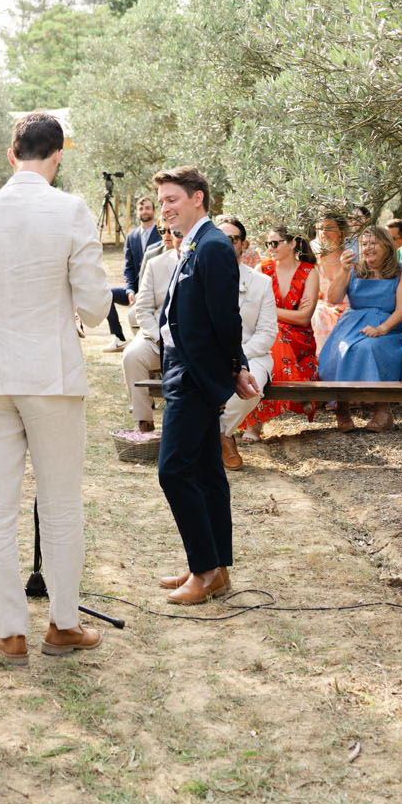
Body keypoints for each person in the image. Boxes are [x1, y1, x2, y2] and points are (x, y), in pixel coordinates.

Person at [0, 113, 111, 664]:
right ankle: (62, 624)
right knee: (60, 504)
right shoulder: (71, 210)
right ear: (57, 156)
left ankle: (9, 631)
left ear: (10, 154)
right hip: (52, 376)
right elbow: (93, 304)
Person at [150, 166, 257, 606]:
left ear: (198, 197)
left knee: (173, 470)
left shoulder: (213, 246)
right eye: (161, 202)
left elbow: (225, 318)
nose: (165, 208)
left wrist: (235, 367)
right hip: (181, 367)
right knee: (209, 470)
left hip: (195, 374)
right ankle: (216, 568)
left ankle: (205, 569)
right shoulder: (194, 244)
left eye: (172, 199)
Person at [228, 225, 319, 449]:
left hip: (298, 338)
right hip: (269, 334)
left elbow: (305, 318)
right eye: (268, 243)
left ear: (293, 244)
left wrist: (269, 310)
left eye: (275, 243)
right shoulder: (263, 269)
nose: (270, 248)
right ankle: (253, 420)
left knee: (275, 339)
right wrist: (282, 314)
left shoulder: (310, 272)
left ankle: (255, 423)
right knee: (272, 340)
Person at [315, 227, 402, 431]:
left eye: (373, 243)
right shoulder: (353, 269)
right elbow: (333, 298)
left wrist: (382, 329)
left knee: (370, 347)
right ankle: (342, 407)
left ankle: (382, 409)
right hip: (352, 324)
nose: (368, 248)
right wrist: (343, 270)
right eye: (364, 244)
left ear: (386, 245)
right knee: (341, 349)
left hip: (388, 327)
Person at [212, 216, 280, 469]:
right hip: (210, 353)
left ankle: (219, 433)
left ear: (244, 244)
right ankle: (221, 439)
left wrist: (236, 357)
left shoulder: (261, 283)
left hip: (252, 354)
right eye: (220, 238)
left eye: (233, 239)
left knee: (251, 388)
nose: (226, 244)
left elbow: (267, 332)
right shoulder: (201, 278)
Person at [119, 224, 181, 433]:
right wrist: (157, 338)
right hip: (157, 336)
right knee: (131, 356)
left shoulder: (202, 259)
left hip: (190, 338)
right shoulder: (155, 263)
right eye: (164, 231)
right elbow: (143, 309)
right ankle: (143, 419)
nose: (168, 236)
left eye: (174, 231)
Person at [310, 210, 352, 354]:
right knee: (319, 313)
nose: (323, 232)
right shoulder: (313, 259)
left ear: (340, 231)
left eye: (328, 228)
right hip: (320, 312)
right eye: (320, 228)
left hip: (349, 311)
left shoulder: (351, 256)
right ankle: (323, 363)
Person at [122, 196, 163, 303]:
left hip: (155, 289)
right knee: (110, 295)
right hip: (135, 288)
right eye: (141, 209)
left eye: (147, 208)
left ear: (154, 211)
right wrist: (130, 290)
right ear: (136, 213)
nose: (144, 211)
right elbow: (128, 267)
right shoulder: (131, 237)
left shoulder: (163, 234)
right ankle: (115, 321)